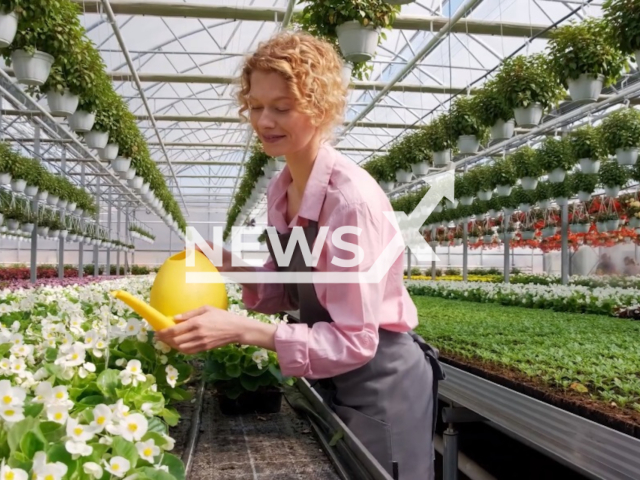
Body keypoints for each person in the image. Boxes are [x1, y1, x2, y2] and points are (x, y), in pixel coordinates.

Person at [156, 31, 443, 479]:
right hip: (333, 370)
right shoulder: (283, 188)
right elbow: (294, 291)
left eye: (281, 107)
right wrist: (231, 265)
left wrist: (245, 331)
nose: (263, 120)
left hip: (379, 378)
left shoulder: (350, 202)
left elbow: (355, 340)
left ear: (320, 106)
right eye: (254, 106)